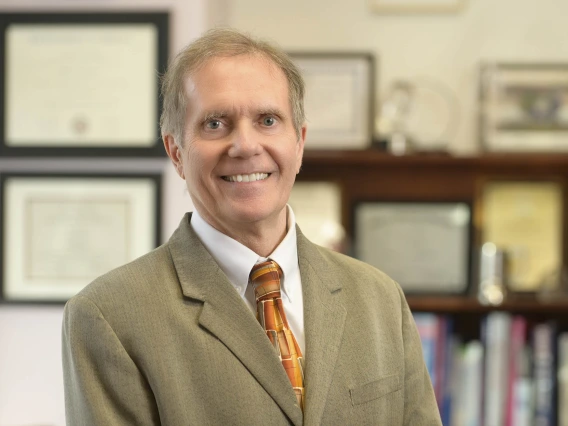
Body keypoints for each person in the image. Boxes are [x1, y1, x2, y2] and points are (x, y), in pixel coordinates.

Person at [62, 28, 441, 425]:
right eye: (214, 123)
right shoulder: (107, 316)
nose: (245, 145)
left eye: (267, 120)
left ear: (299, 143)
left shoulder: (380, 298)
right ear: (176, 152)